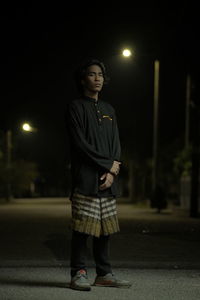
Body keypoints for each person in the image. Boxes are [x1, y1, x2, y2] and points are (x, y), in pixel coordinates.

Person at [65, 58, 131, 291]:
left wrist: (114, 169)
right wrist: (107, 166)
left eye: (101, 75)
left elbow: (116, 144)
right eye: (93, 74)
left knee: (105, 228)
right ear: (83, 79)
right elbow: (80, 145)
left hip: (108, 178)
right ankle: (78, 273)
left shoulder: (109, 109)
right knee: (83, 228)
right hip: (85, 177)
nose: (98, 78)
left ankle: (104, 273)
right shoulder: (76, 107)